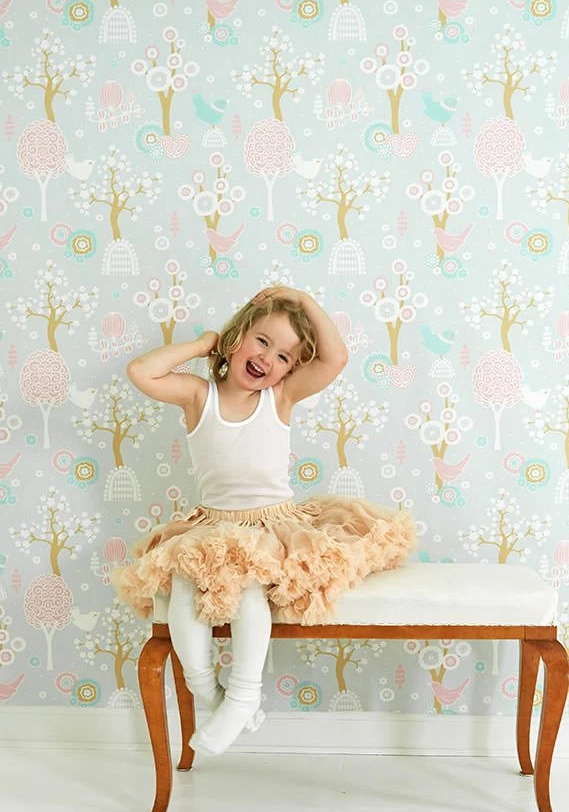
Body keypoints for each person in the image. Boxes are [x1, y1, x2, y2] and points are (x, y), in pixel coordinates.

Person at [112, 286, 416, 757]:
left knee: (250, 586)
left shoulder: (279, 397)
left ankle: (243, 694)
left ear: (289, 370)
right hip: (213, 526)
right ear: (236, 338)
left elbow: (335, 358)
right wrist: (202, 344)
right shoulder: (199, 396)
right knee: (184, 588)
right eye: (261, 341)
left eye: (283, 356)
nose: (267, 359)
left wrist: (303, 299)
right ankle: (207, 689)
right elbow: (141, 371)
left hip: (272, 526)